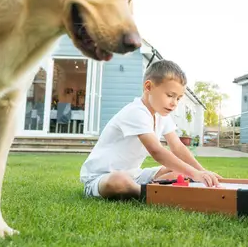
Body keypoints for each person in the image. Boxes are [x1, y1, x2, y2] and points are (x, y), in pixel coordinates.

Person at [80, 59, 222, 200]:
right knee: (119, 181)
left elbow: (177, 147)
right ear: (148, 87)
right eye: (170, 95)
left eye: (178, 98)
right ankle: (151, 194)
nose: (174, 103)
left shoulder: (162, 114)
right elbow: (156, 151)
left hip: (135, 175)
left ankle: (148, 188)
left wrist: (202, 171)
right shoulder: (136, 112)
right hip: (101, 178)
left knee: (178, 170)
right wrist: (194, 174)